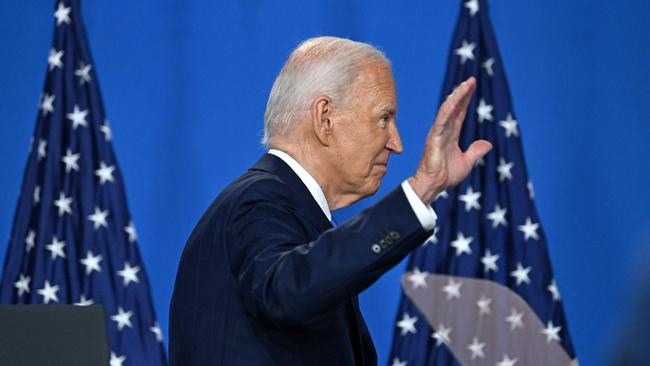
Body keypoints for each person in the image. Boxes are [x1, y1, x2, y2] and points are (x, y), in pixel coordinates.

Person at [169, 36, 491, 365]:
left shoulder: (295, 215)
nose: (397, 143)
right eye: (383, 118)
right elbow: (291, 290)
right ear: (324, 119)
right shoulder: (258, 200)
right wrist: (423, 187)